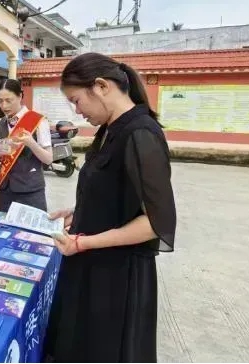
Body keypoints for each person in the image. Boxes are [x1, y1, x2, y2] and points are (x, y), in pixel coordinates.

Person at [44, 53, 177, 364]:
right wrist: (80, 211)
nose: (77, 111)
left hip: (116, 277)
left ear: (101, 86)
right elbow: (115, 193)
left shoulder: (140, 133)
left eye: (77, 101)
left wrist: (84, 242)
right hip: (91, 264)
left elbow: (154, 222)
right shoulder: (109, 130)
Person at [0, 79, 52, 212]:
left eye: (8, 100)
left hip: (31, 191)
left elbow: (48, 159)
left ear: (20, 96)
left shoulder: (38, 121)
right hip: (4, 191)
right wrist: (2, 146)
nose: (4, 106)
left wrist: (31, 143)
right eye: (0, 101)